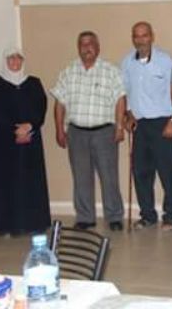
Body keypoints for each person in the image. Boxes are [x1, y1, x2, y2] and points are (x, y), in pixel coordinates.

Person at [51, 31, 125, 231]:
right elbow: (59, 102)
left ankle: (114, 216)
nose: (87, 48)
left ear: (98, 47)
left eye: (90, 43)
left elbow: (120, 99)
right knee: (81, 177)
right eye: (82, 44)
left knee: (109, 177)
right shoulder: (68, 72)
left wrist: (119, 127)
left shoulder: (110, 70)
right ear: (78, 48)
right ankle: (85, 217)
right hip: (76, 133)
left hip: (104, 132)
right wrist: (59, 129)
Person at [121, 21, 172, 231]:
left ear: (152, 36)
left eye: (144, 35)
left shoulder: (165, 61)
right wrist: (128, 114)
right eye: (136, 36)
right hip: (140, 125)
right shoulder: (127, 62)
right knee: (141, 172)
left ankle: (171, 216)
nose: (140, 40)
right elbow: (125, 92)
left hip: (163, 123)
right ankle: (147, 215)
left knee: (169, 173)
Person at [0, 47, 51, 236]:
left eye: (18, 58)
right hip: (4, 141)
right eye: (11, 58)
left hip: (30, 139)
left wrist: (29, 126)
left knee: (30, 181)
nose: (15, 62)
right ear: (5, 61)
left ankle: (32, 223)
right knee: (6, 182)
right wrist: (15, 130)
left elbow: (41, 108)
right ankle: (5, 225)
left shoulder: (33, 82)